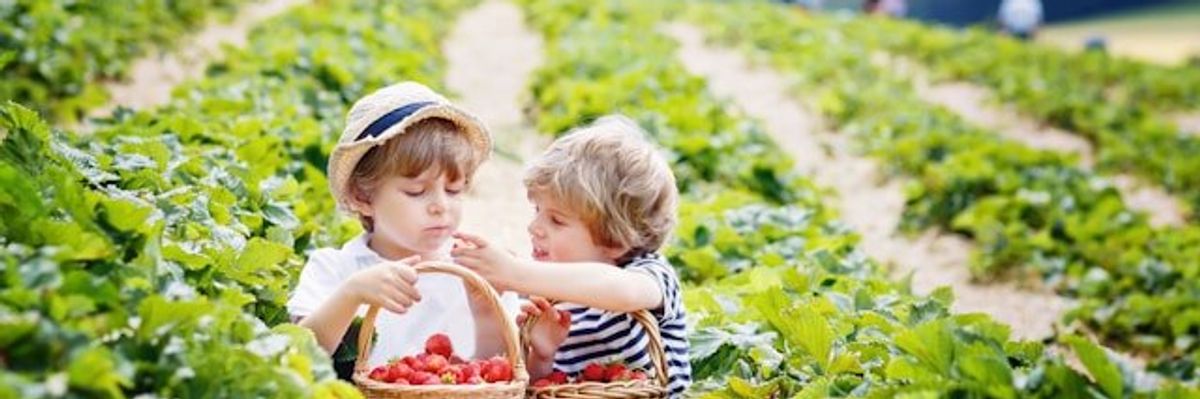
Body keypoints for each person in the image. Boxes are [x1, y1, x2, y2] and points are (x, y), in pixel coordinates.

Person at [287, 81, 518, 379]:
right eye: (416, 192)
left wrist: (486, 314)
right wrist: (352, 294)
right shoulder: (335, 268)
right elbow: (301, 354)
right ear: (363, 197)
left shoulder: (473, 271)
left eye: (453, 190)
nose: (440, 206)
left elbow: (495, 373)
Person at [452, 115, 691, 397]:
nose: (534, 228)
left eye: (556, 220)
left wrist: (516, 274)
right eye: (536, 210)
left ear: (615, 239)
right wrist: (539, 355)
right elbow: (529, 387)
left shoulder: (650, 273)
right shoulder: (544, 299)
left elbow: (622, 291)